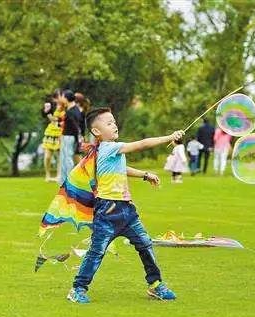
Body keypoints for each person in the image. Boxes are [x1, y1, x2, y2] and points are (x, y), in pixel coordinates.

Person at [67, 107, 185, 303]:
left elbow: (122, 168)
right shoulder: (108, 147)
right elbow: (142, 144)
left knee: (145, 244)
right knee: (96, 252)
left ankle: (155, 285)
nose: (114, 125)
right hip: (108, 212)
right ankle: (77, 289)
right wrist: (169, 137)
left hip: (127, 211)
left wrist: (144, 175)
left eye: (114, 121)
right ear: (97, 132)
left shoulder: (109, 151)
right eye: (109, 123)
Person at [58, 90, 82, 185]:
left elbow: (76, 126)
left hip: (69, 137)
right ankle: (63, 180)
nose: (62, 98)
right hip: (68, 136)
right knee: (64, 158)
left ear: (67, 99)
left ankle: (69, 180)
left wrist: (78, 139)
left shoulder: (71, 112)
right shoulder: (74, 110)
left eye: (63, 96)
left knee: (67, 158)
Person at [41, 91, 65, 182]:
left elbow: (60, 119)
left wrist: (52, 117)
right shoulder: (51, 105)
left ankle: (59, 175)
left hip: (60, 132)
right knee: (47, 156)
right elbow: (44, 114)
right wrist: (46, 112)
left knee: (60, 156)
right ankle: (47, 174)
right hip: (50, 132)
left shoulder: (66, 106)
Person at [73, 92, 90, 163]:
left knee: (77, 152)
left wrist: (82, 135)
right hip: (77, 134)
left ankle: (81, 168)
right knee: (76, 153)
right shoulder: (79, 109)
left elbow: (82, 125)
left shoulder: (80, 110)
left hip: (78, 134)